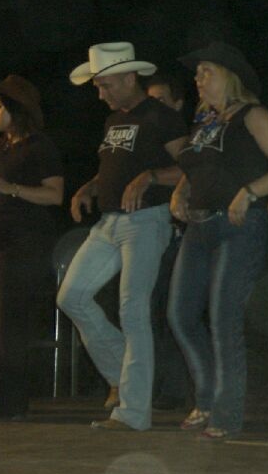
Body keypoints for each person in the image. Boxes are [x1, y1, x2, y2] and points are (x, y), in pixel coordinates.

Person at [168, 41, 268, 439]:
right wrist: (181, 192)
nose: (198, 78)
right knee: (180, 314)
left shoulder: (253, 116)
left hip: (238, 226)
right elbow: (195, 167)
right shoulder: (204, 120)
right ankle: (206, 398)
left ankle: (225, 413)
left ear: (230, 75)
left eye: (206, 70)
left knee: (224, 319)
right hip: (199, 227)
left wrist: (251, 192)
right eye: (196, 73)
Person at [57, 42, 187, 431]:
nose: (101, 94)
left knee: (133, 310)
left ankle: (133, 412)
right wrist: (90, 187)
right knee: (71, 297)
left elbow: (191, 168)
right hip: (108, 222)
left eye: (106, 85)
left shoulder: (162, 117)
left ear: (130, 78)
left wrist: (150, 177)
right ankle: (123, 376)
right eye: (98, 86)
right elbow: (113, 167)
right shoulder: (113, 120)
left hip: (146, 221)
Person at [0, 76, 63, 420]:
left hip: (25, 243)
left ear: (15, 109)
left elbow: (55, 194)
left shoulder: (39, 147)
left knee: (10, 322)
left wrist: (11, 188)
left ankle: (12, 402)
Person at [145, 73, 192, 411]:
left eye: (161, 100)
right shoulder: (148, 138)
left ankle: (175, 389)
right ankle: (153, 385)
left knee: (173, 310)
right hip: (145, 231)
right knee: (147, 310)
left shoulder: (182, 139)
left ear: (178, 104)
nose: (155, 107)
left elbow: (190, 172)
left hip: (177, 232)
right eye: (151, 101)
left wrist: (152, 178)